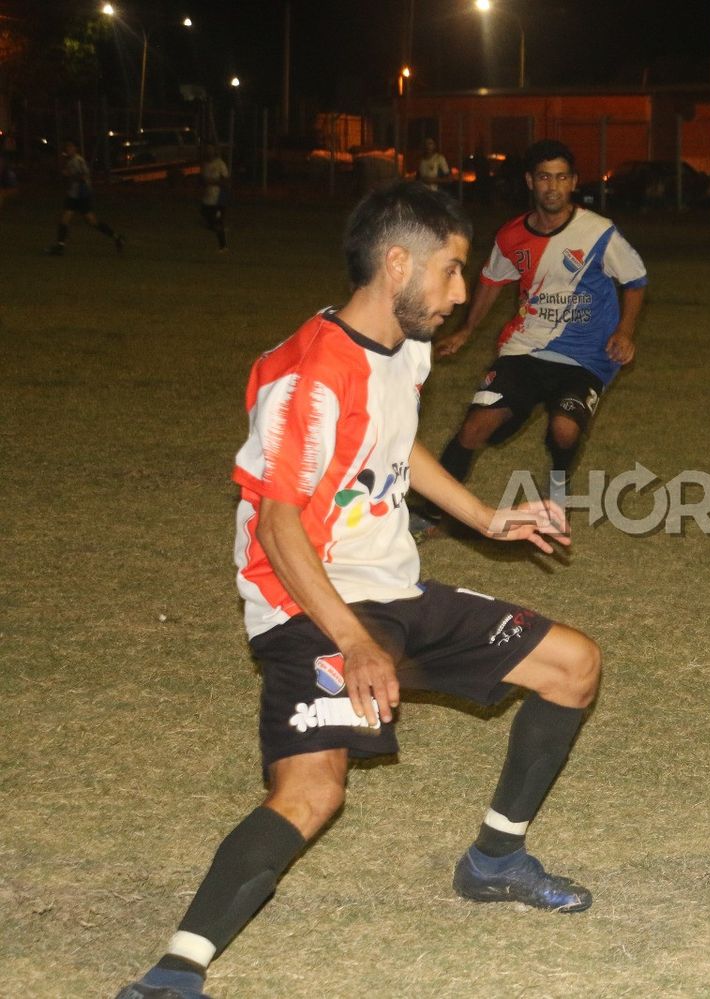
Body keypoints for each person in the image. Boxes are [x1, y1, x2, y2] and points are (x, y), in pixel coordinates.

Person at [115, 182, 602, 999]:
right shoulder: (305, 377)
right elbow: (278, 529)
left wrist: (486, 517)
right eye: (451, 272)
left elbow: (398, 447)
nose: (460, 294)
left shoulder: (403, 350)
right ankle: (174, 972)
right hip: (309, 600)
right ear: (397, 262)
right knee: (313, 790)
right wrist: (353, 638)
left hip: (392, 591)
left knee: (574, 665)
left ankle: (493, 859)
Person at [412, 138, 646, 536]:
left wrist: (624, 331)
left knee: (564, 428)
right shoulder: (512, 236)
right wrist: (467, 330)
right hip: (525, 349)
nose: (552, 187)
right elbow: (490, 281)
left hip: (586, 357)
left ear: (573, 182)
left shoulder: (599, 233)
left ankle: (557, 484)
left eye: (560, 178)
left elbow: (636, 279)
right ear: (530, 182)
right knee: (476, 427)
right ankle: (429, 514)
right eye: (543, 178)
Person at [46, 139, 124, 255]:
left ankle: (117, 238)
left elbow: (83, 176)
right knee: (64, 219)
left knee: (92, 221)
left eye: (71, 147)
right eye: (67, 148)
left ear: (75, 148)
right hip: (74, 195)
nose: (68, 149)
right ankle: (60, 246)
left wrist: (69, 175)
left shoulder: (78, 160)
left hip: (81, 196)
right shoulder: (71, 160)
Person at [199, 146, 230, 251]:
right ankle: (219, 229)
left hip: (218, 198)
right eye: (207, 150)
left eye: (211, 150)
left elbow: (226, 180)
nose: (209, 152)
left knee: (217, 222)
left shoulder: (220, 163)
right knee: (207, 219)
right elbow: (203, 180)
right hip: (207, 199)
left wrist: (214, 182)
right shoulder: (205, 164)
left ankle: (223, 246)